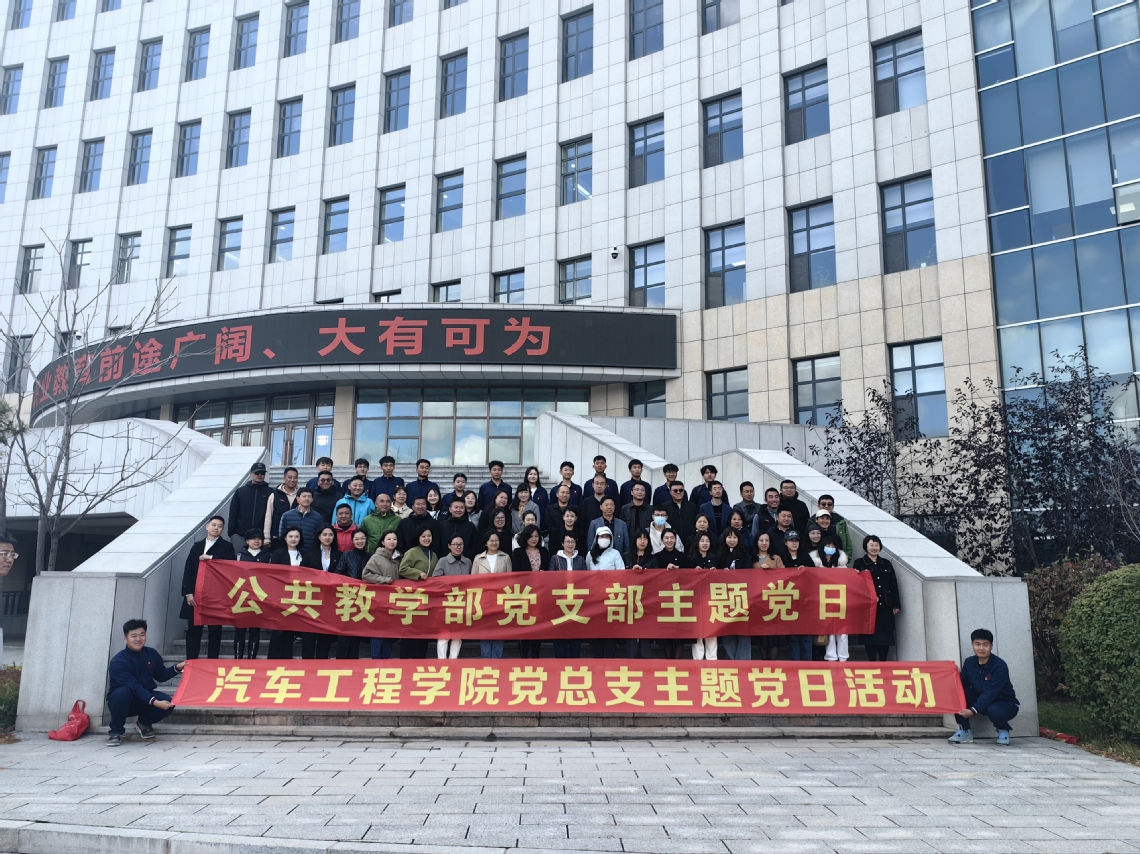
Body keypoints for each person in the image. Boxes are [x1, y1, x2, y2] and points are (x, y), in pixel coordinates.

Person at [105, 619, 185, 746]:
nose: (138, 639)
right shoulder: (118, 661)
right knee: (122, 693)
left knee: (169, 702)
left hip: (144, 699)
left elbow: (161, 676)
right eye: (134, 636)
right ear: (126, 639)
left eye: (142, 635)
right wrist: (156, 702)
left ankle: (143, 723)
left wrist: (178, 667)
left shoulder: (151, 654)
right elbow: (134, 686)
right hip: (124, 702)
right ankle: (116, 731)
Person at [950, 628, 1020, 746]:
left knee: (994, 710)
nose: (981, 648)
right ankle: (964, 731)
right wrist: (955, 674)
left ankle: (1003, 729)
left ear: (991, 646)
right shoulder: (969, 662)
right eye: (977, 644)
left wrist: (973, 710)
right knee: (956, 695)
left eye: (985, 644)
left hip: (1004, 703)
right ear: (972, 645)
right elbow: (963, 685)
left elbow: (991, 693)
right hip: (981, 700)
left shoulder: (999, 666)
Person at [180, 515, 235, 660]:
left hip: (216, 595)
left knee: (215, 631)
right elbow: (188, 569)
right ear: (207, 527)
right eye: (214, 525)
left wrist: (211, 558)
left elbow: (231, 565)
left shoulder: (227, 546)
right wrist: (188, 593)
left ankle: (212, 662)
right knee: (193, 630)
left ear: (223, 530)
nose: (216, 528)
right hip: (196, 593)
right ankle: (191, 661)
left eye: (220, 526)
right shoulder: (197, 546)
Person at [854, 534, 901, 661]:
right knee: (870, 637)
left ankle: (883, 662)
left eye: (876, 545)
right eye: (871, 545)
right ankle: (872, 663)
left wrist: (896, 604)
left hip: (885, 605)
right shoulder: (859, 563)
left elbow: (893, 584)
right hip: (868, 607)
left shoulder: (886, 563)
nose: (874, 548)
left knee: (885, 637)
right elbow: (856, 585)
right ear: (866, 547)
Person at [300, 526, 341, 659]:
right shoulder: (309, 553)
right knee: (309, 634)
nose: (327, 537)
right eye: (324, 534)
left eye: (330, 534)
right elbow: (302, 573)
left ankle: (322, 662)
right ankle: (307, 664)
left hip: (330, 599)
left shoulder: (338, 554)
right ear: (319, 536)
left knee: (325, 634)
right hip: (312, 598)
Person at [511, 524, 549, 658]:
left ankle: (535, 658)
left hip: (540, 595)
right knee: (524, 628)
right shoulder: (518, 552)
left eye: (536, 536)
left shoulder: (544, 551)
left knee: (537, 628)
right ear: (525, 537)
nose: (534, 539)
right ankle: (523, 658)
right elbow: (516, 574)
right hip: (524, 595)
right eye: (531, 536)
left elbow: (549, 572)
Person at [362, 530, 401, 660]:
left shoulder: (398, 557)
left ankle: (386, 660)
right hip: (379, 600)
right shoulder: (376, 557)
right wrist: (385, 580)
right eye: (388, 539)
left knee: (390, 631)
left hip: (393, 601)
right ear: (383, 542)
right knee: (378, 631)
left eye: (394, 539)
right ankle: (376, 660)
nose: (392, 541)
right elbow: (366, 575)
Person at [267, 527, 305, 658]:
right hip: (281, 595)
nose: (294, 539)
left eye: (296, 536)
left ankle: (287, 659)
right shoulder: (278, 553)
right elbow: (272, 575)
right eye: (291, 536)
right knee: (278, 630)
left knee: (290, 629)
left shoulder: (303, 553)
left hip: (297, 594)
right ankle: (273, 660)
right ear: (285, 538)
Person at [811, 533, 849, 663]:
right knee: (829, 631)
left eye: (833, 546)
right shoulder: (816, 563)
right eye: (828, 546)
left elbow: (848, 581)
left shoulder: (841, 563)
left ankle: (843, 657)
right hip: (823, 601)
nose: (830, 548)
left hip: (840, 600)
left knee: (843, 631)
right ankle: (831, 656)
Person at [234, 528, 273, 659]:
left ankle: (251, 660)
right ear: (247, 541)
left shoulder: (268, 556)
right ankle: (238, 660)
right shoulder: (239, 555)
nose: (256, 541)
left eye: (259, 538)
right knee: (239, 630)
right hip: (242, 598)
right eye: (253, 538)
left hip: (259, 598)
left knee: (255, 631)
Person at [333, 529, 370, 659]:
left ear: (366, 540)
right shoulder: (347, 555)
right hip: (348, 598)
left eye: (362, 538)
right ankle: (341, 662)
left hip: (363, 599)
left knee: (356, 633)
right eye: (357, 539)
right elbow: (338, 573)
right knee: (344, 632)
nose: (360, 541)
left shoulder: (370, 557)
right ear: (352, 541)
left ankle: (353, 662)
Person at [434, 535, 472, 659]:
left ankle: (453, 661)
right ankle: (442, 662)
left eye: (461, 544)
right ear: (449, 546)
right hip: (446, 603)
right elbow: (435, 580)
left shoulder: (468, 562)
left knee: (458, 635)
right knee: (444, 635)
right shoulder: (443, 561)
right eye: (455, 544)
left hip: (462, 603)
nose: (458, 547)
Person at [716, 528, 752, 661]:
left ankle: (744, 661)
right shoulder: (720, 554)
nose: (732, 540)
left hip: (742, 597)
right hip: (725, 598)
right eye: (729, 537)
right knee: (728, 630)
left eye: (735, 537)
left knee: (744, 631)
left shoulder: (745, 554)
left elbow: (749, 574)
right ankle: (730, 661)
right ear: (724, 539)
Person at [473, 532, 509, 658]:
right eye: (491, 540)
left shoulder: (505, 557)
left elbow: (510, 581)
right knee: (485, 631)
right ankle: (486, 662)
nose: (494, 543)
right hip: (483, 601)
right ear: (486, 543)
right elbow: (472, 581)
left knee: (499, 631)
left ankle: (497, 661)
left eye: (496, 540)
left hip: (500, 600)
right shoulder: (478, 559)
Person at [548, 533, 585, 658]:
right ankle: (560, 663)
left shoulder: (580, 559)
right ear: (562, 543)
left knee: (576, 636)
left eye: (572, 541)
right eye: (567, 542)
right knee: (560, 635)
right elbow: (550, 579)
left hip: (576, 602)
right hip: (560, 602)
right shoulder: (555, 559)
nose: (570, 544)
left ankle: (574, 663)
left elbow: (585, 580)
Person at [227, 462, 270, 553]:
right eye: (257, 473)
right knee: (238, 560)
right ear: (251, 474)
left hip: (260, 537)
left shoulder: (270, 492)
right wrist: (232, 533)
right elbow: (233, 512)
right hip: (240, 536)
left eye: (262, 473)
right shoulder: (240, 491)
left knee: (259, 561)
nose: (260, 475)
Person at [264, 466, 300, 547]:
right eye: (290, 477)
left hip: (296, 538)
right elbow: (268, 517)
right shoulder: (274, 495)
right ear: (284, 478)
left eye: (295, 478)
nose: (292, 480)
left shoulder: (301, 495)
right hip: (277, 536)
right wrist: (267, 538)